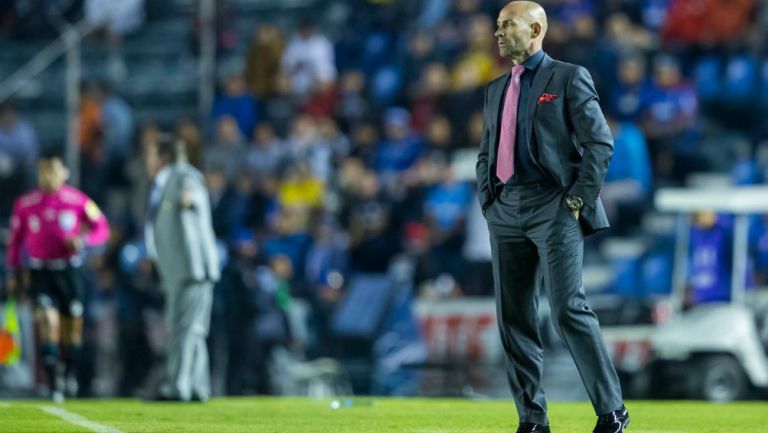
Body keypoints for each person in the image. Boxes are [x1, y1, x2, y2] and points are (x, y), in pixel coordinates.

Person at [475, 3, 629, 432]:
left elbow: (600, 143)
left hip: (554, 205)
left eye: (507, 25)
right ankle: (532, 420)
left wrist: (576, 201)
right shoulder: (494, 88)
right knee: (513, 319)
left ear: (536, 28)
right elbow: (487, 152)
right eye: (497, 26)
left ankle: (612, 410)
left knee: (566, 309)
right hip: (505, 208)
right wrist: (490, 201)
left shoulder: (567, 76)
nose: (498, 33)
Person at [6, 151, 110, 402]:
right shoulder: (26, 204)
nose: (48, 177)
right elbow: (15, 241)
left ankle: (70, 373)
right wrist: (13, 271)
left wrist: (84, 241)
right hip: (41, 272)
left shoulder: (78, 201)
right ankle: (54, 383)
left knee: (71, 329)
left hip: (70, 271)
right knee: (48, 323)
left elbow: (102, 229)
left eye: (53, 171)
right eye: (43, 171)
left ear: (64, 173)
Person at [144, 138, 220, 402]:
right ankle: (198, 386)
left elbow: (191, 201)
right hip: (183, 270)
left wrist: (188, 200)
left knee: (183, 328)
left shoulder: (184, 177)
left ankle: (178, 386)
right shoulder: (169, 180)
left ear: (163, 157)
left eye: (151, 155)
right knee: (193, 328)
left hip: (191, 270)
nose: (148, 162)